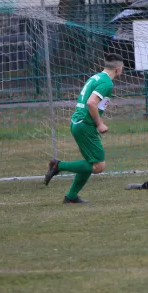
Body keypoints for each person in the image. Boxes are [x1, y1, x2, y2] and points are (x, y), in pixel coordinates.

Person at [43, 53, 124, 204]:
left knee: (90, 163)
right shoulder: (107, 83)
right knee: (99, 166)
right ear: (118, 68)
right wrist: (100, 124)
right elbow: (91, 103)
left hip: (79, 123)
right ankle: (58, 166)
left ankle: (71, 196)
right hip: (85, 125)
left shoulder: (96, 77)